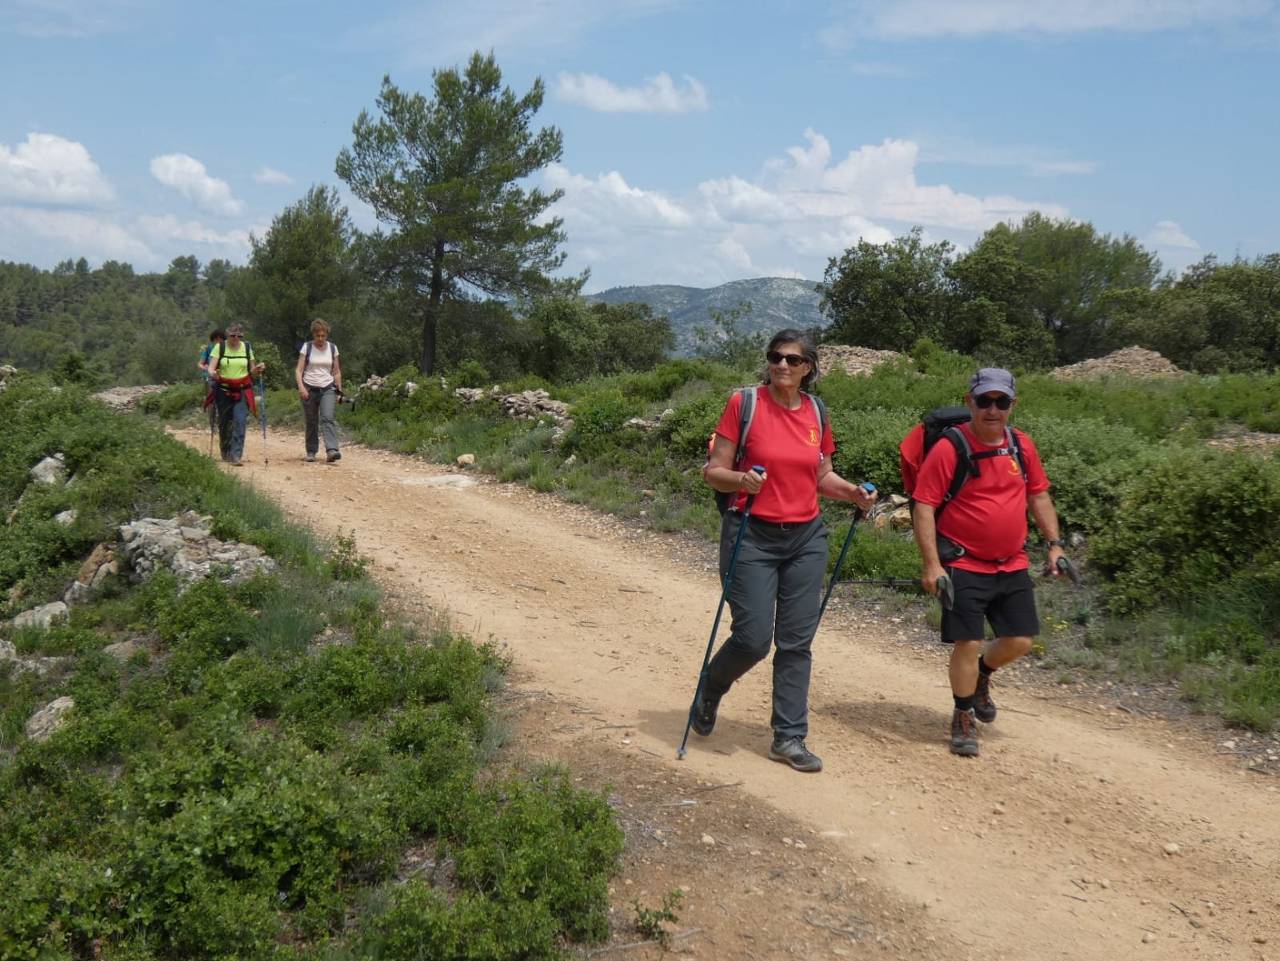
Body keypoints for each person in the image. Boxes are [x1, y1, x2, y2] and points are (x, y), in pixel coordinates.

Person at [694, 329, 877, 773]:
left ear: (808, 368)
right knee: (754, 639)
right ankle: (712, 686)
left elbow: (821, 477)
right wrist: (741, 481)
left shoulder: (817, 410)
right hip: (751, 533)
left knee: (797, 642)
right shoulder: (746, 404)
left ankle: (789, 738)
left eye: (793, 360)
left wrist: (852, 492)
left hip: (805, 539)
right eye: (776, 357)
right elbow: (714, 471)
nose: (782, 366)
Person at [911, 367, 1066, 758]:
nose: (992, 409)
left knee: (1021, 639)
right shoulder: (950, 447)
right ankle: (962, 716)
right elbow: (924, 505)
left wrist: (1055, 546)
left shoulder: (1021, 446)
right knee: (969, 641)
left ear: (1013, 405)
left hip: (1011, 562)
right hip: (963, 562)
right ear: (970, 402)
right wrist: (932, 564)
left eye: (1001, 402)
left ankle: (981, 676)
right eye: (985, 400)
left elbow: (1039, 497)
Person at [208, 323, 266, 466]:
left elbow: (251, 370)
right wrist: (213, 374)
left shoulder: (246, 348)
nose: (235, 338)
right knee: (224, 422)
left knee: (240, 422)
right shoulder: (220, 347)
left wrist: (258, 368)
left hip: (242, 389)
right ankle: (226, 451)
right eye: (232, 335)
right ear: (227, 336)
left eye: (239, 336)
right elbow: (211, 367)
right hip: (223, 389)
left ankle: (236, 455)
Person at [294, 318, 343, 463]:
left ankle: (332, 450)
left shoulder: (333, 348)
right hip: (309, 388)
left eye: (323, 336)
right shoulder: (307, 347)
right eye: (317, 336)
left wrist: (340, 392)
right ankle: (311, 451)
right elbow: (299, 370)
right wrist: (301, 387)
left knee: (328, 417)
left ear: (327, 335)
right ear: (313, 335)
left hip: (327, 387)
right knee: (311, 420)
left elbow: (337, 372)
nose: (320, 339)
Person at [198, 329, 225, 435]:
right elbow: (200, 363)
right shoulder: (209, 348)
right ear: (213, 339)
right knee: (211, 402)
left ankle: (222, 424)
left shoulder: (226, 349)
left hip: (223, 378)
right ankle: (213, 426)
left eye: (220, 338)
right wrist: (206, 368)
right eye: (216, 339)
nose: (218, 341)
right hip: (209, 378)